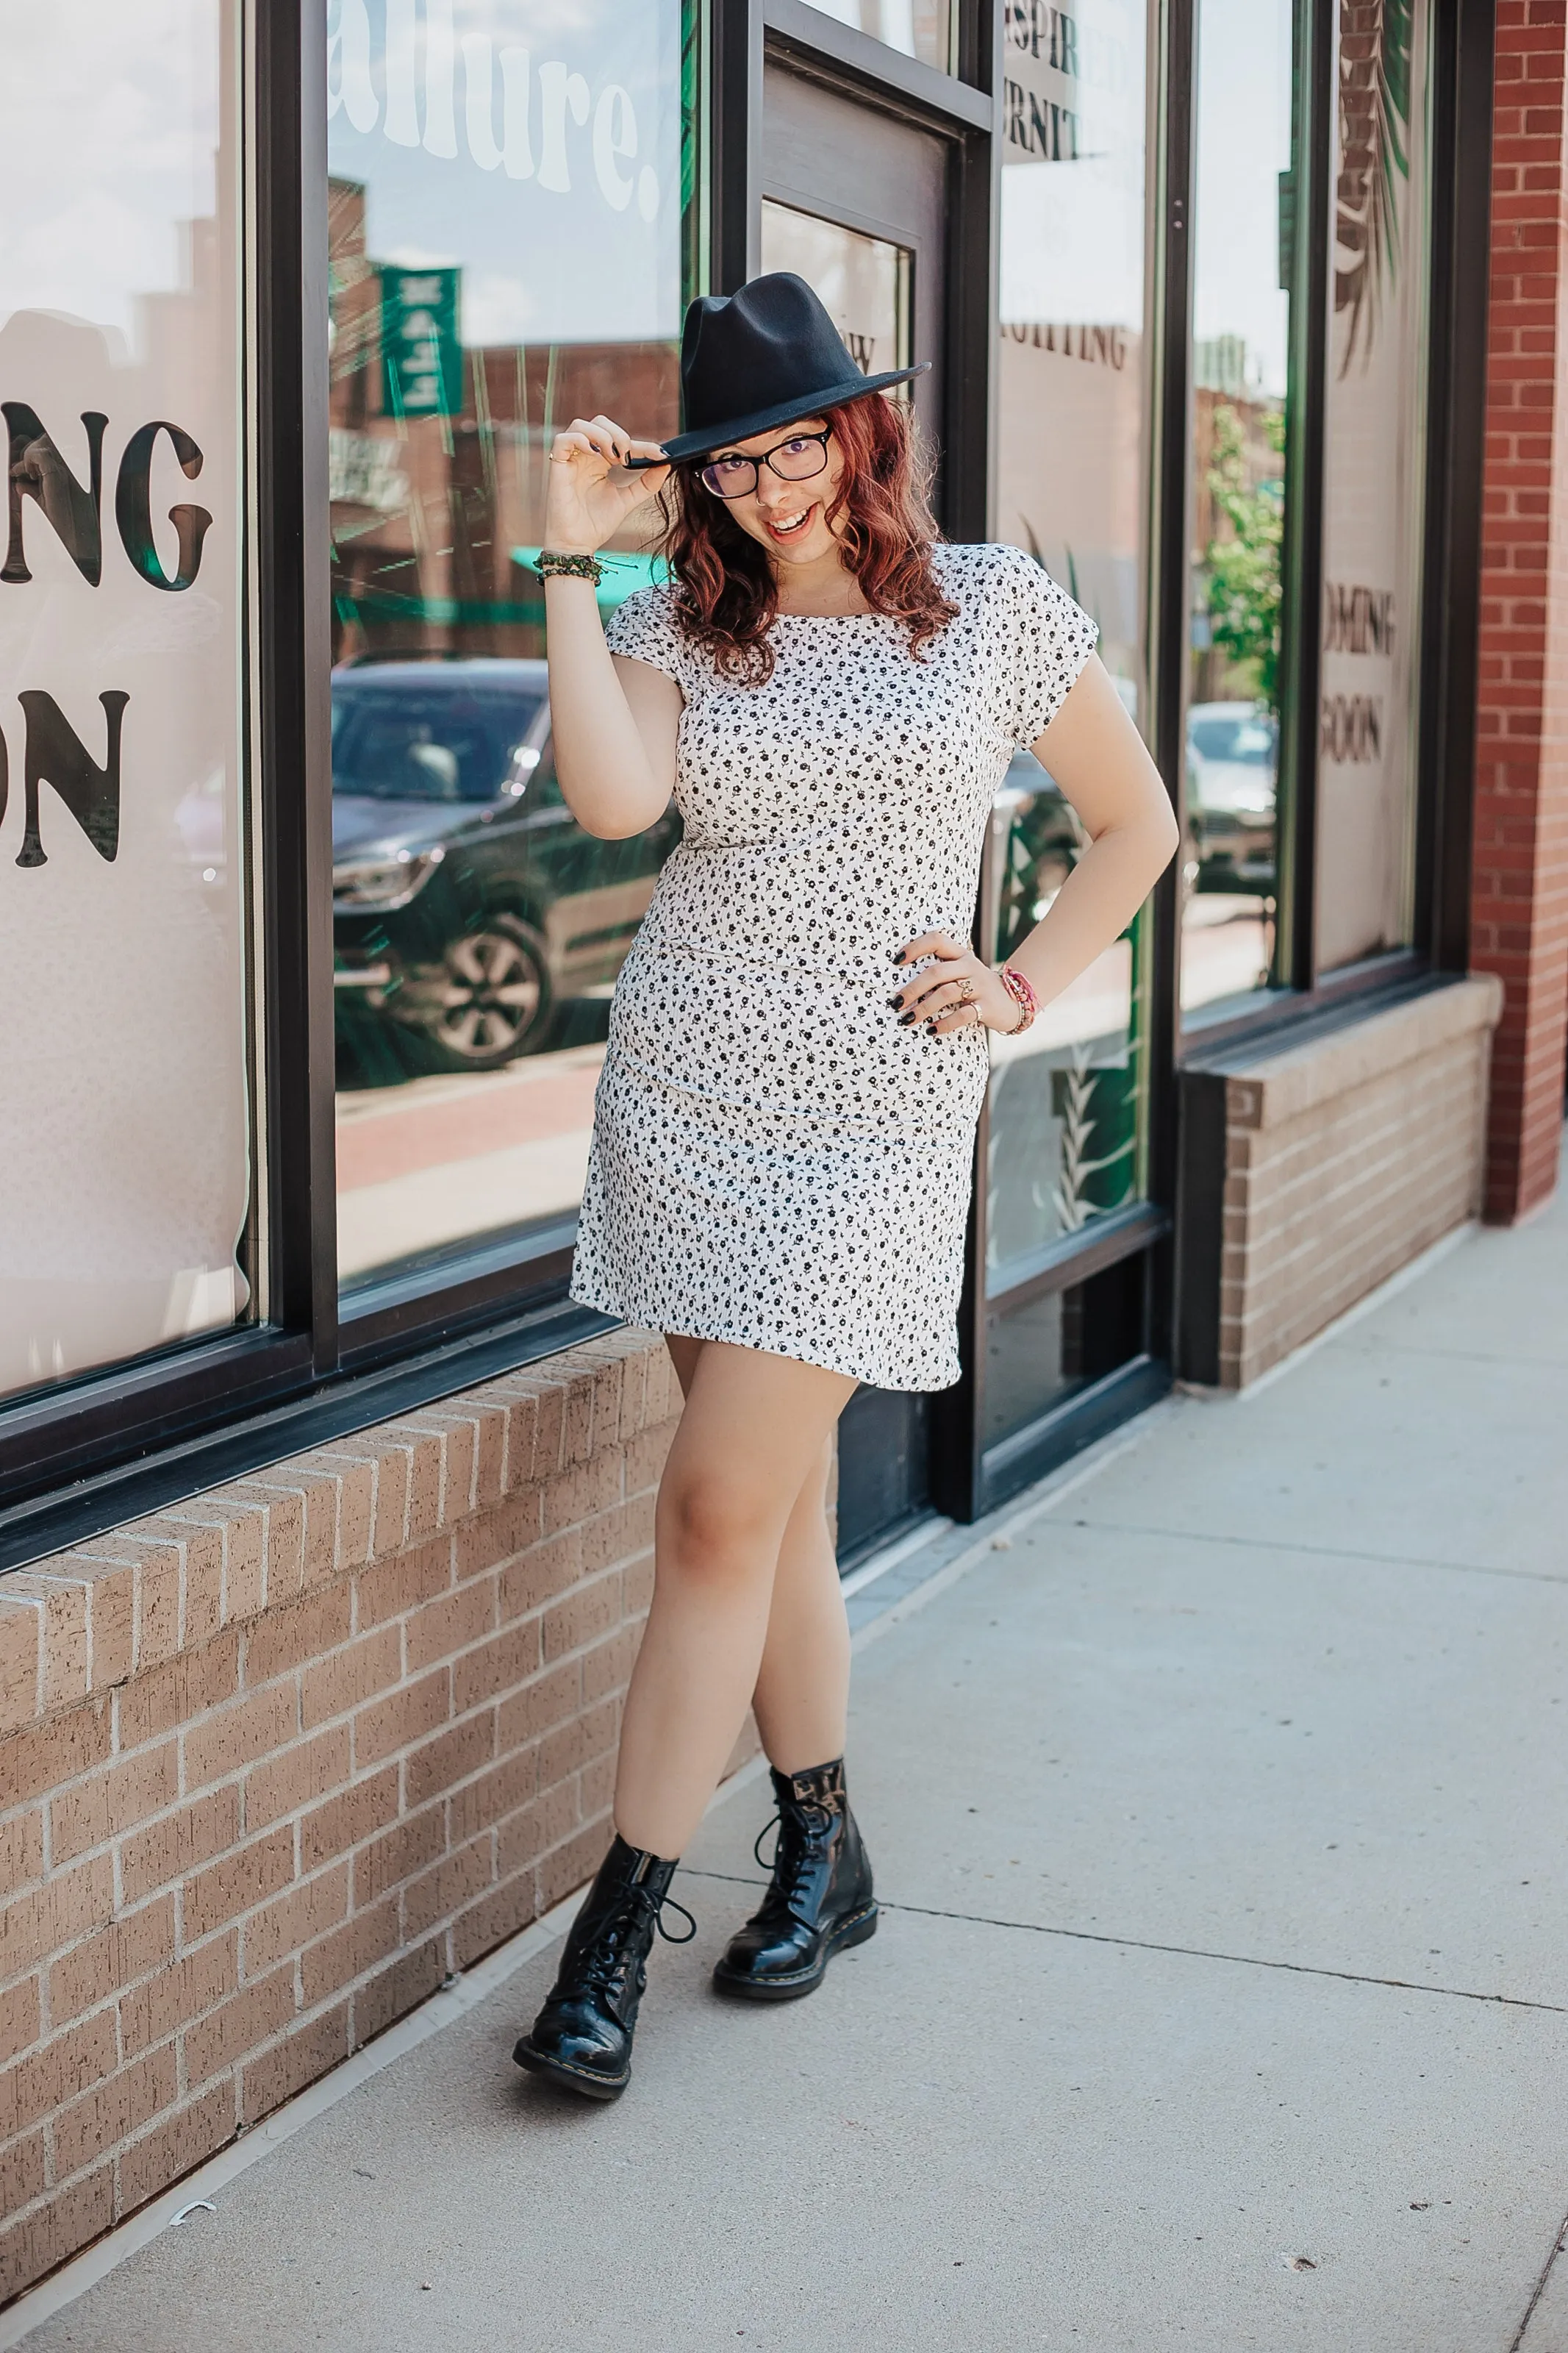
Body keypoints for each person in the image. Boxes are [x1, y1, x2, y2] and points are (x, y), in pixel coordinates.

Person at [513, 274, 1178, 2100]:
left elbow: (1137, 826)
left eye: (799, 443)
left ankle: (610, 1937)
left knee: (716, 1510)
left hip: (878, 1111)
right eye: (731, 462)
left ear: (859, 432)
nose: (771, 486)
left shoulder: (989, 613)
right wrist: (575, 565)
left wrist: (1023, 978)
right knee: (773, 1518)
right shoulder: (670, 611)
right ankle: (825, 1848)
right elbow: (603, 805)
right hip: (689, 1092)